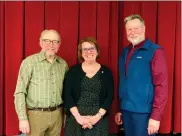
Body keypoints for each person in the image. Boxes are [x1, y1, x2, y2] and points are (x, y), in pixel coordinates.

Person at [115, 14, 168, 136]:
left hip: (144, 113)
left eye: (136, 28)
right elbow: (123, 82)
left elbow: (161, 85)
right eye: (129, 29)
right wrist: (119, 109)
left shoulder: (155, 51)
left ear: (143, 29)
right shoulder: (125, 52)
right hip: (126, 110)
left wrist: (156, 116)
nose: (132, 32)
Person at [14, 29, 68, 136]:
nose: (51, 45)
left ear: (59, 44)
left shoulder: (63, 64)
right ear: (40, 42)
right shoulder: (29, 62)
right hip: (36, 116)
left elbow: (66, 92)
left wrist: (65, 114)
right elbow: (20, 92)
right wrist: (22, 118)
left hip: (57, 115)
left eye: (55, 42)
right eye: (47, 41)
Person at [63, 37, 114, 136]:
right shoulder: (73, 71)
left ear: (97, 51)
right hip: (76, 118)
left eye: (92, 48)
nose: (88, 52)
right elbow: (67, 95)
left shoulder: (106, 72)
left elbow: (109, 96)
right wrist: (79, 118)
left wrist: (96, 117)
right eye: (85, 49)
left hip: (98, 119)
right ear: (81, 53)